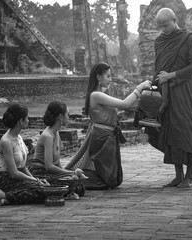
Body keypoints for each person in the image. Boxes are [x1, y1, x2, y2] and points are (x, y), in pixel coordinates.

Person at [65, 62, 151, 190]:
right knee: (108, 180)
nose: (110, 80)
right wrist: (140, 87)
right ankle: (77, 180)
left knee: (115, 179)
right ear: (98, 77)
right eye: (108, 76)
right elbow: (124, 104)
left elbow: (124, 106)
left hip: (108, 136)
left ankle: (80, 178)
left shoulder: (100, 94)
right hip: (102, 138)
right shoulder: (95, 95)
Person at [145, 8, 192, 188]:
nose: (163, 29)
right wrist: (152, 90)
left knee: (187, 128)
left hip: (185, 91)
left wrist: (170, 76)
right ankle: (178, 175)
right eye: (160, 26)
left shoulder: (191, 39)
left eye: (166, 25)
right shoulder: (160, 41)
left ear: (175, 20)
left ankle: (189, 176)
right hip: (165, 93)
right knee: (169, 130)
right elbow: (158, 69)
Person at [0, 103, 49, 205]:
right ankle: (3, 195)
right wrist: (35, 182)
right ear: (20, 121)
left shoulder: (19, 138)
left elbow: (23, 167)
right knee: (42, 192)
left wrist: (36, 180)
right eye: (27, 118)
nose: (28, 120)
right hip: (6, 180)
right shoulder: (6, 142)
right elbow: (14, 173)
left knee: (46, 188)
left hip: (18, 179)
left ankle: (7, 199)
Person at [28, 101, 85, 198]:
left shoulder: (56, 133)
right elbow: (49, 166)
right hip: (40, 172)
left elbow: (57, 162)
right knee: (69, 186)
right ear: (60, 116)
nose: (68, 117)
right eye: (67, 114)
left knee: (79, 186)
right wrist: (72, 173)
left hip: (50, 173)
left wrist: (68, 176)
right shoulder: (48, 136)